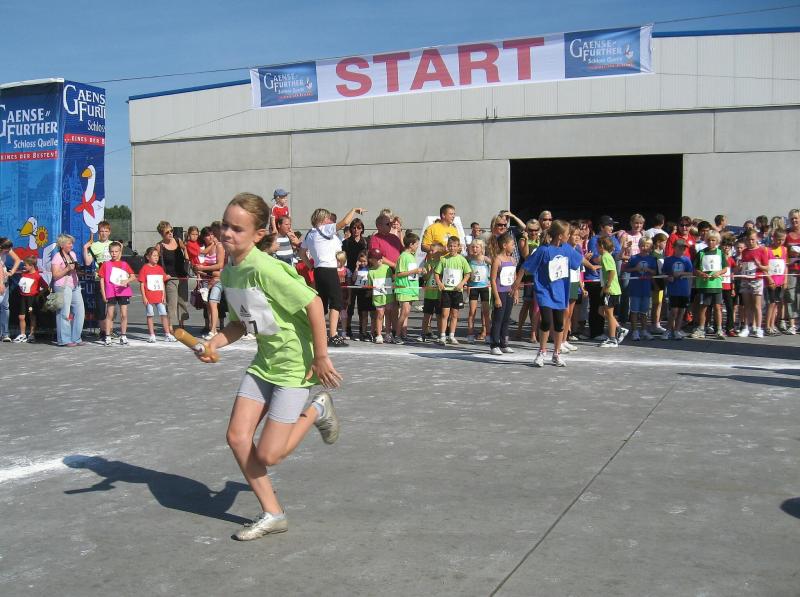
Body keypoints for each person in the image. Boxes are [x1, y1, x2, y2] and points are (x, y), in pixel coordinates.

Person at [195, 192, 341, 541]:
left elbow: (314, 303)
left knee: (269, 455)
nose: (227, 233)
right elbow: (240, 324)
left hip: (294, 364)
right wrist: (214, 343)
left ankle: (317, 409)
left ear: (258, 234)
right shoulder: (230, 271)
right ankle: (273, 514)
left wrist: (321, 356)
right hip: (265, 361)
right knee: (237, 437)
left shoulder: (265, 268)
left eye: (237, 229)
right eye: (225, 225)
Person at [515, 219, 583, 366]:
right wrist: (515, 285)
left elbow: (578, 262)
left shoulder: (567, 249)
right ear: (560, 235)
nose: (569, 236)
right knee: (546, 320)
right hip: (544, 291)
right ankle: (542, 351)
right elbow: (526, 266)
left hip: (561, 291)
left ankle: (556, 353)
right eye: (567, 234)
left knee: (559, 323)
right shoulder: (543, 250)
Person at [301, 207, 365, 346]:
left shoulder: (310, 233)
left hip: (318, 270)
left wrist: (311, 266)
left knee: (322, 304)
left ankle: (319, 334)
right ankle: (333, 335)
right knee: (336, 302)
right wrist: (353, 210)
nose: (330, 220)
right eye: (328, 218)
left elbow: (302, 252)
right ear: (322, 219)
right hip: (329, 270)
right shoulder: (325, 229)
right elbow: (345, 222)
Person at [585, 216, 621, 340]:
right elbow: (596, 259)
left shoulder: (613, 239)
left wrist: (623, 250)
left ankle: (615, 331)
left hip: (606, 281)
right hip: (595, 278)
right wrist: (608, 257)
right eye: (609, 225)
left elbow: (619, 255)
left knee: (605, 309)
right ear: (601, 227)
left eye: (612, 225)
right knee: (597, 306)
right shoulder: (594, 240)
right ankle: (596, 333)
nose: (612, 228)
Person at [434, 236, 471, 345]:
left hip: (457, 291)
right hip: (446, 291)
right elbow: (436, 273)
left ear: (459, 247)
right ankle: (442, 336)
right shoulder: (443, 259)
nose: (452, 248)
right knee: (445, 314)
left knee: (454, 315)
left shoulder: (462, 259)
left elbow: (468, 273)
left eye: (454, 246)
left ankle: (451, 336)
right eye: (450, 246)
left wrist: (461, 283)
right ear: (447, 246)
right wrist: (439, 283)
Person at [98, 241, 136, 346]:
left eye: (116, 251)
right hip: (110, 292)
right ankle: (107, 336)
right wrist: (103, 294)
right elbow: (101, 280)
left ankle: (123, 336)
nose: (114, 253)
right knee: (109, 314)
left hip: (123, 291)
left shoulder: (124, 264)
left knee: (124, 314)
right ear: (109, 252)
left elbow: (133, 276)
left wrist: (126, 280)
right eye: (112, 251)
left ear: (120, 252)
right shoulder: (106, 264)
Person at [50, 234, 86, 347]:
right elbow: (55, 275)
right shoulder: (57, 257)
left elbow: (75, 269)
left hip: (75, 285)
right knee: (64, 313)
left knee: (80, 311)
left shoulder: (72, 254)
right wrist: (67, 269)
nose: (72, 245)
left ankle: (76, 337)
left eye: (72, 243)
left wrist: (79, 270)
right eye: (69, 243)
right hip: (63, 286)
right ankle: (64, 339)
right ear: (62, 245)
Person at [692, 231, 727, 339]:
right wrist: (701, 274)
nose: (711, 242)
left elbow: (725, 268)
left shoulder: (720, 253)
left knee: (717, 307)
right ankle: (701, 328)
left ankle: (719, 329)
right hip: (704, 285)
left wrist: (718, 273)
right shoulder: (701, 253)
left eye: (713, 240)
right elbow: (695, 269)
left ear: (717, 241)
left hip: (716, 285)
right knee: (703, 307)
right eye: (709, 240)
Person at [156, 221, 190, 330]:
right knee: (172, 303)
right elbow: (156, 263)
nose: (170, 233)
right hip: (170, 278)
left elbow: (185, 248)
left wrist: (187, 258)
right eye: (167, 232)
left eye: (171, 231)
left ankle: (182, 324)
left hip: (182, 276)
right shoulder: (159, 246)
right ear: (162, 234)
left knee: (183, 302)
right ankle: (171, 327)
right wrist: (163, 275)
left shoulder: (177, 240)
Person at [82, 220, 113, 339]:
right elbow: (88, 262)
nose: (104, 233)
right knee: (100, 307)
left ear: (109, 232)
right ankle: (103, 331)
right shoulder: (94, 245)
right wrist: (85, 248)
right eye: (101, 231)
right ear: (98, 233)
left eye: (106, 231)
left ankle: (109, 330)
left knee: (111, 307)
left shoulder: (114, 244)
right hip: (99, 280)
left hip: (113, 280)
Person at [622, 238, 657, 341]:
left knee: (644, 311)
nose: (644, 247)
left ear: (651, 247)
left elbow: (654, 272)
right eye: (642, 245)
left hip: (646, 288)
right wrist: (635, 269)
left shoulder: (652, 259)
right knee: (634, 310)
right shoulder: (634, 258)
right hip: (635, 288)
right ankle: (635, 331)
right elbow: (625, 269)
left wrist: (648, 270)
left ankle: (644, 330)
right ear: (639, 246)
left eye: (647, 246)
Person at [488, 233, 518, 355]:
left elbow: (514, 278)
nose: (514, 247)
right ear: (505, 245)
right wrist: (496, 297)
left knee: (506, 319)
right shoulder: (497, 260)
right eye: (512, 245)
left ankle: (504, 343)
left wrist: (515, 292)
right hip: (500, 292)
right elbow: (493, 280)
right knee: (498, 319)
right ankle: (494, 344)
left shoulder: (512, 260)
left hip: (509, 292)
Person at [139, 246, 174, 343]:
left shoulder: (159, 268)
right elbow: (141, 284)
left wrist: (163, 295)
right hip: (149, 297)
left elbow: (162, 282)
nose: (156, 258)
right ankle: (152, 335)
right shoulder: (144, 268)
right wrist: (144, 297)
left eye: (157, 256)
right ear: (147, 257)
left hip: (159, 296)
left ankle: (167, 334)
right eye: (154, 255)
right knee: (150, 315)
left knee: (164, 314)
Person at [394, 232, 424, 343]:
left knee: (406, 313)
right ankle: (397, 335)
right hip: (404, 288)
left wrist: (420, 271)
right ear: (411, 244)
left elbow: (412, 273)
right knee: (404, 312)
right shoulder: (403, 256)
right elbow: (400, 273)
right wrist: (415, 271)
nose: (417, 247)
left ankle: (404, 334)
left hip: (411, 288)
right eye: (416, 244)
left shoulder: (411, 256)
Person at [662, 239, 694, 341]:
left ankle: (677, 330)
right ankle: (668, 330)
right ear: (674, 248)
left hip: (684, 289)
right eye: (680, 247)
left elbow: (691, 273)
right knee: (673, 311)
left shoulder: (687, 260)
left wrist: (681, 273)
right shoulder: (668, 260)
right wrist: (668, 278)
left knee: (681, 311)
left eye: (684, 248)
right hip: (673, 289)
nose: (682, 250)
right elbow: (664, 273)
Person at [597, 236, 624, 347]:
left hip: (611, 290)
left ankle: (612, 339)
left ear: (602, 246)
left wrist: (607, 287)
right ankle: (619, 329)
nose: (596, 248)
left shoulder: (605, 257)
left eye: (597, 246)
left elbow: (612, 272)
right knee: (601, 311)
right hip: (608, 289)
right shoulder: (606, 256)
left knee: (609, 314)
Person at [14, 256, 47, 343]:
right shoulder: (24, 274)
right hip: (23, 297)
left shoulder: (37, 276)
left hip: (32, 298)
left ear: (32, 266)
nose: (24, 266)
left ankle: (32, 334)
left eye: (26, 265)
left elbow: (45, 287)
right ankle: (22, 334)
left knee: (32, 316)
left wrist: (39, 294)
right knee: (21, 317)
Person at [465, 238, 492, 343]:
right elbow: (464, 271)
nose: (475, 249)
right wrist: (466, 284)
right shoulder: (469, 259)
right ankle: (470, 334)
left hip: (484, 287)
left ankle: (488, 334)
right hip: (473, 287)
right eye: (473, 247)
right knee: (472, 311)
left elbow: (496, 267)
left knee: (486, 312)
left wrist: (492, 280)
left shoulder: (485, 259)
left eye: (477, 247)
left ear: (482, 248)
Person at [366, 248, 395, 343]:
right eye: (376, 259)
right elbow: (370, 285)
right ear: (371, 260)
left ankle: (388, 334)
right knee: (379, 314)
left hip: (388, 296)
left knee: (388, 314)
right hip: (378, 297)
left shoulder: (387, 268)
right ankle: (379, 335)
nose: (379, 260)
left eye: (380, 258)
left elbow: (392, 279)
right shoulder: (371, 271)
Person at [419, 242, 444, 342]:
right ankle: (423, 334)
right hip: (429, 294)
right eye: (430, 251)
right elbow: (425, 278)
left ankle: (440, 335)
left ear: (440, 252)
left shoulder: (443, 263)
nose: (430, 252)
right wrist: (429, 272)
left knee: (439, 316)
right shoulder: (428, 263)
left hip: (439, 294)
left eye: (432, 251)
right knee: (426, 315)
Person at [765, 229, 788, 336]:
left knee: (776, 304)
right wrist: (769, 279)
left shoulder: (784, 249)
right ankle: (767, 326)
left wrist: (785, 279)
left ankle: (772, 324)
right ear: (773, 238)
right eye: (778, 239)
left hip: (780, 281)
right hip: (771, 281)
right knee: (771, 303)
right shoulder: (767, 250)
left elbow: (785, 265)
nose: (780, 242)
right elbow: (765, 267)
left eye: (782, 240)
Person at [349, 250, 374, 341]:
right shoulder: (358, 269)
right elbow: (353, 279)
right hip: (361, 293)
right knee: (363, 314)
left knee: (373, 314)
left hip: (370, 292)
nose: (363, 263)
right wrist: (356, 267)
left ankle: (373, 332)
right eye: (361, 261)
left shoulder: (371, 269)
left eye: (364, 261)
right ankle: (363, 332)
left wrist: (371, 290)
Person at [1, 238, 23, 342]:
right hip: (1, 282)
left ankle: (5, 333)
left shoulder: (7, 249)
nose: (8, 252)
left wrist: (12, 272)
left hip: (4, 281)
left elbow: (17, 260)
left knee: (5, 307)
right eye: (6, 250)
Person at [782, 209, 800, 334]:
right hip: (791, 269)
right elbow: (783, 252)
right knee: (790, 295)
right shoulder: (787, 234)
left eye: (796, 218)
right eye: (792, 218)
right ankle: (792, 324)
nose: (794, 220)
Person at [721, 238, 737, 336]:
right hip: (719, 286)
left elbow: (732, 275)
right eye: (724, 245)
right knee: (718, 308)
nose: (726, 247)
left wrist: (733, 288)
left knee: (730, 308)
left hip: (728, 286)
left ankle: (730, 328)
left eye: (728, 246)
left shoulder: (731, 260)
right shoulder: (719, 258)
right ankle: (718, 327)